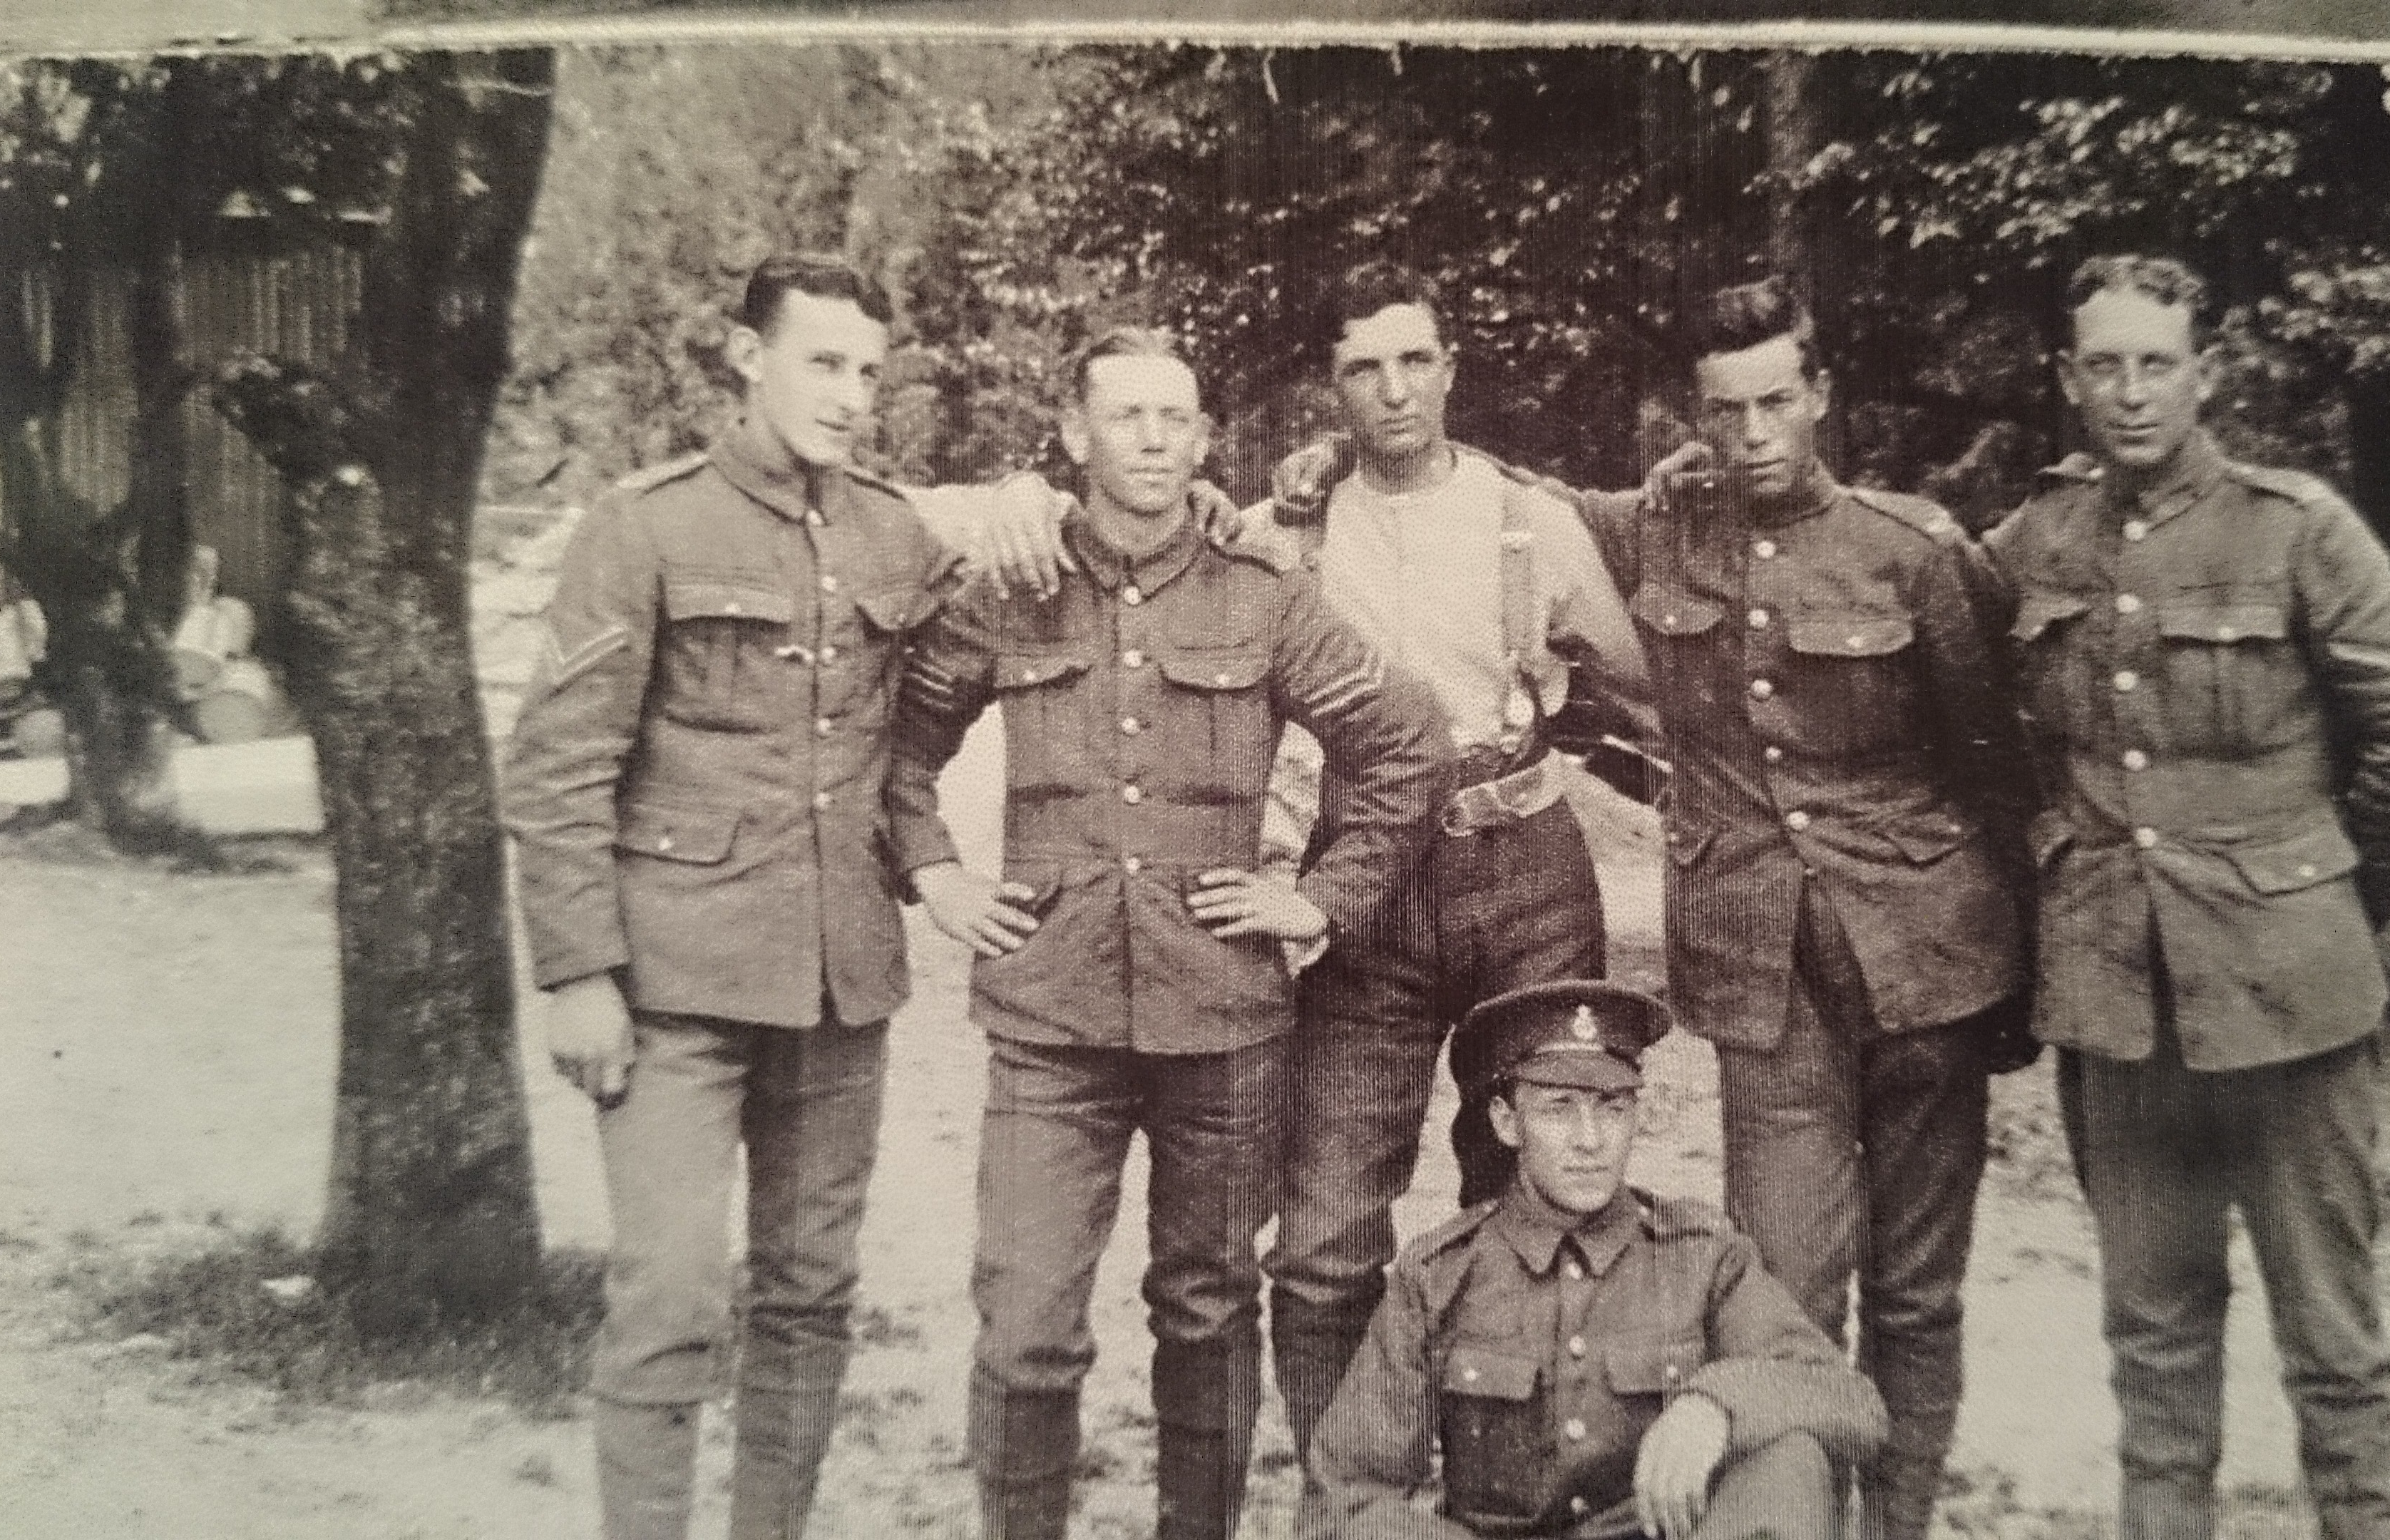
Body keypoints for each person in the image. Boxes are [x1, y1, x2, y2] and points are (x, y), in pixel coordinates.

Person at [498, 250, 1066, 1540]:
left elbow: (977, 604)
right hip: (675, 987)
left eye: (870, 371)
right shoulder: (645, 526)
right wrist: (577, 973)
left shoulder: (890, 531)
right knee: (671, 1299)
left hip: (837, 984)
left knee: (811, 1295)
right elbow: (558, 766)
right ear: (747, 357)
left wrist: (1033, 496)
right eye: (824, 363)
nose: (851, 394)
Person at [1465, 276, 2030, 1540]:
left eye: (1778, 401)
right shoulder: (1657, 530)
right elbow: (1508, 492)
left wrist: (2016, 988)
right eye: (1727, 411)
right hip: (1762, 982)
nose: (1755, 432)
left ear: (1820, 397)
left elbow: (1998, 773)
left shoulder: (1916, 552)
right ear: (1696, 418)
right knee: (1779, 1293)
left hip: (1927, 967)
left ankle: (1899, 1526)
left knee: (1918, 1295)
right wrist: (1328, 469)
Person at [883, 326, 1450, 1540]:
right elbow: (898, 751)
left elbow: (1408, 745)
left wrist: (1321, 899)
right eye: (1125, 417)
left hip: (1224, 1021)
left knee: (1207, 1309)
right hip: (1051, 1022)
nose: (1152, 441)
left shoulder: (1263, 593)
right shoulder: (1011, 585)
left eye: (1175, 419)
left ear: (1202, 442)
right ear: (1074, 435)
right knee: (1026, 1326)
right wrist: (932, 872)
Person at [1984, 253, 2390, 1540]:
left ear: (2203, 375)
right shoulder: (2038, 538)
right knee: (2153, 1350)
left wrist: (2338, 895)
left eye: (2157, 365)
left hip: (2293, 1010)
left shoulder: (2297, 529)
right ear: (2069, 380)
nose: (2131, 392)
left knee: (2336, 1351)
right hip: (2119, 1017)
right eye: (2105, 366)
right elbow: (1955, 673)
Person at [1245, 260, 1655, 1469]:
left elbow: (1646, 693)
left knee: (1531, 1199)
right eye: (1364, 368)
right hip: (1362, 886)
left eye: (1415, 361)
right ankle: (1346, 1491)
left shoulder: (1531, 521)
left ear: (1451, 371)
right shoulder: (1283, 534)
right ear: (1331, 389)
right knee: (1324, 1235)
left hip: (1527, 876)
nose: (1394, 390)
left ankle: (1510, 1485)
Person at [1303, 979, 1889, 1540]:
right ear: (1507, 1122)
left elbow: (1852, 1402)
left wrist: (1716, 1405)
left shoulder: (1699, 1257)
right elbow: (1349, 1492)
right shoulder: (1440, 1275)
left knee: (1791, 1459)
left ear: (1636, 1115)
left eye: (1611, 1107)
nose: (1590, 1140)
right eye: (1559, 1108)